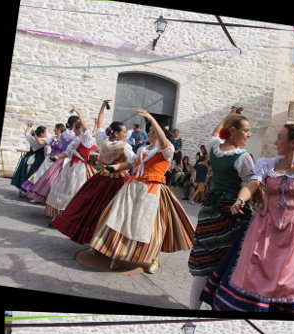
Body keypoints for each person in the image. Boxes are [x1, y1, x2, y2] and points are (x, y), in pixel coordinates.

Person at [202, 94, 294, 313]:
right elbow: (253, 183)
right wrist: (241, 199)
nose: (275, 141)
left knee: (290, 278)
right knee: (255, 273)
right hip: (265, 228)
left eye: (280, 138)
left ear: (293, 142)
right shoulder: (266, 163)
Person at [89, 108, 195, 274]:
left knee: (148, 226)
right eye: (150, 130)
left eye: (154, 131)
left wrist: (151, 119)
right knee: (121, 219)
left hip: (152, 190)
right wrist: (115, 167)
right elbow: (132, 164)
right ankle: (119, 254)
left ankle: (153, 258)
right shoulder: (142, 149)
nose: (150, 133)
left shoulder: (167, 150)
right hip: (133, 186)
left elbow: (163, 141)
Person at [186, 107, 255, 308]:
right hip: (232, 214)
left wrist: (229, 116)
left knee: (206, 260)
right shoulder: (242, 157)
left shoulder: (214, 147)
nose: (249, 134)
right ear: (232, 131)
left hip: (209, 211)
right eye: (246, 130)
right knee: (228, 261)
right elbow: (252, 183)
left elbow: (215, 133)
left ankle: (194, 308)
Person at [52, 101, 136, 244]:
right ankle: (107, 239)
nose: (126, 133)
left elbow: (100, 123)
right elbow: (135, 161)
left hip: (101, 177)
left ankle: (92, 235)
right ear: (116, 133)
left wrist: (102, 107)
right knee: (114, 208)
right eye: (124, 131)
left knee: (91, 205)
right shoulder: (125, 146)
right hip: (118, 179)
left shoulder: (102, 139)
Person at [45, 108, 95, 220]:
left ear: (79, 129)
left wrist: (78, 112)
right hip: (70, 167)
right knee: (63, 188)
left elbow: (86, 128)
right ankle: (59, 215)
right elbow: (66, 153)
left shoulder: (86, 139)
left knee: (74, 190)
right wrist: (56, 158)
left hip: (80, 169)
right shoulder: (75, 140)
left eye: (76, 129)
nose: (74, 131)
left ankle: (70, 216)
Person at [24, 116, 78, 203]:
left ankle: (46, 198)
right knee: (40, 177)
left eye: (55, 129)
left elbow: (69, 150)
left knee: (51, 180)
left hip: (58, 161)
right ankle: (36, 196)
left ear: (59, 130)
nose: (54, 130)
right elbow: (40, 142)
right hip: (49, 160)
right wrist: (35, 135)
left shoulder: (69, 138)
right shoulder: (54, 138)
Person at [11, 120, 49, 192]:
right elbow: (40, 143)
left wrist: (29, 126)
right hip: (39, 159)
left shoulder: (32, 138)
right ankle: (30, 190)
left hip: (28, 157)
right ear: (41, 134)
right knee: (34, 174)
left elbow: (26, 133)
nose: (47, 134)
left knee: (25, 172)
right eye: (46, 132)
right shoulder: (43, 140)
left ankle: (22, 188)